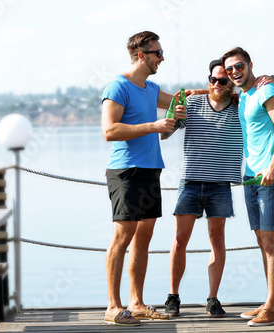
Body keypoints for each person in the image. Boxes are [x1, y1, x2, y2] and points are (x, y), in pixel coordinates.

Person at [101, 31, 185, 326]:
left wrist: (176, 119)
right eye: (158, 53)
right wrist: (153, 125)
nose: (162, 58)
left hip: (151, 169)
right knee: (122, 238)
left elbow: (177, 102)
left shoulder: (151, 88)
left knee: (143, 238)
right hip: (126, 171)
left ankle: (136, 303)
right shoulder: (118, 86)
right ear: (141, 55)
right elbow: (110, 131)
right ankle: (113, 307)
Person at [161, 59, 242, 318]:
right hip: (191, 182)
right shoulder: (193, 103)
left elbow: (252, 90)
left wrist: (270, 78)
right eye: (213, 80)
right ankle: (173, 298)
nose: (216, 84)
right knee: (179, 240)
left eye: (223, 80)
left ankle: (212, 299)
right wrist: (174, 114)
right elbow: (164, 135)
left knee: (217, 240)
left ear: (231, 82)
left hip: (220, 185)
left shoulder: (240, 107)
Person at [222, 47, 274, 327]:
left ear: (250, 65)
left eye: (239, 66)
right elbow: (212, 91)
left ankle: (273, 310)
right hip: (251, 178)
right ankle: (272, 302)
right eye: (229, 70)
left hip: (272, 177)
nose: (234, 72)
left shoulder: (267, 91)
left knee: (271, 243)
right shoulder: (244, 96)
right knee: (262, 242)